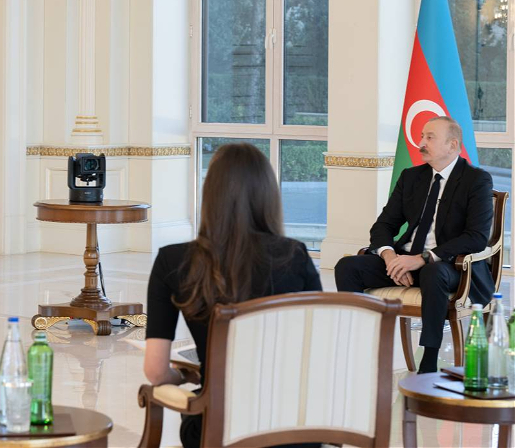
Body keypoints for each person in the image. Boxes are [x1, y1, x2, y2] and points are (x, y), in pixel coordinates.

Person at [143, 143, 322, 448]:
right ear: (268, 196)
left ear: (210, 195)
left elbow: (156, 371)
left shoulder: (173, 261)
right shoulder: (295, 255)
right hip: (294, 429)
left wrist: (185, 377)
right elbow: (317, 350)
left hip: (217, 428)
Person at [335, 116, 494, 374]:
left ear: (452, 145)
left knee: (433, 271)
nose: (421, 143)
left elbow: (476, 237)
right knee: (347, 267)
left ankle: (428, 360)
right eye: (422, 136)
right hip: (404, 260)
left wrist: (423, 258)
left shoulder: (476, 180)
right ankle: (359, 344)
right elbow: (383, 225)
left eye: (429, 137)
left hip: (450, 266)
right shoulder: (411, 177)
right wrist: (390, 258)